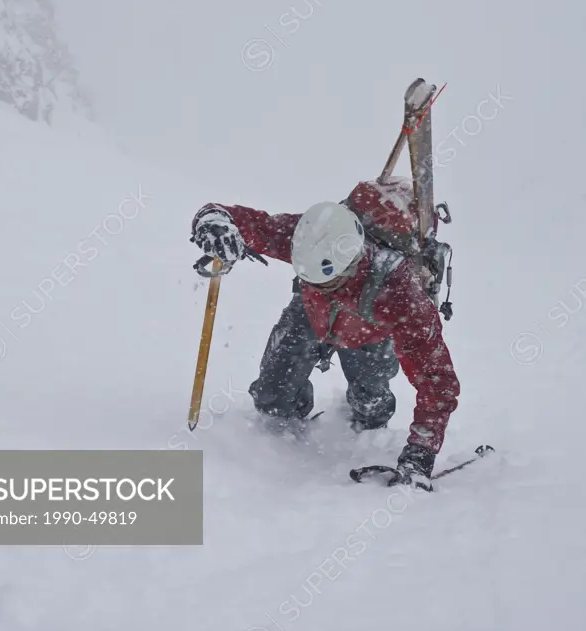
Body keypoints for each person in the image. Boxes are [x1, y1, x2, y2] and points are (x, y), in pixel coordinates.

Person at [191, 179, 460, 490]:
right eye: (309, 280)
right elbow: (246, 221)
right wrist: (214, 222)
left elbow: (437, 380)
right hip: (308, 317)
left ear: (352, 264)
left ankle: (369, 415)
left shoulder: (400, 293)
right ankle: (290, 418)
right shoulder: (309, 237)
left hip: (369, 336)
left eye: (327, 284)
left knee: (371, 410)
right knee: (271, 399)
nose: (320, 289)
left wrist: (420, 453)